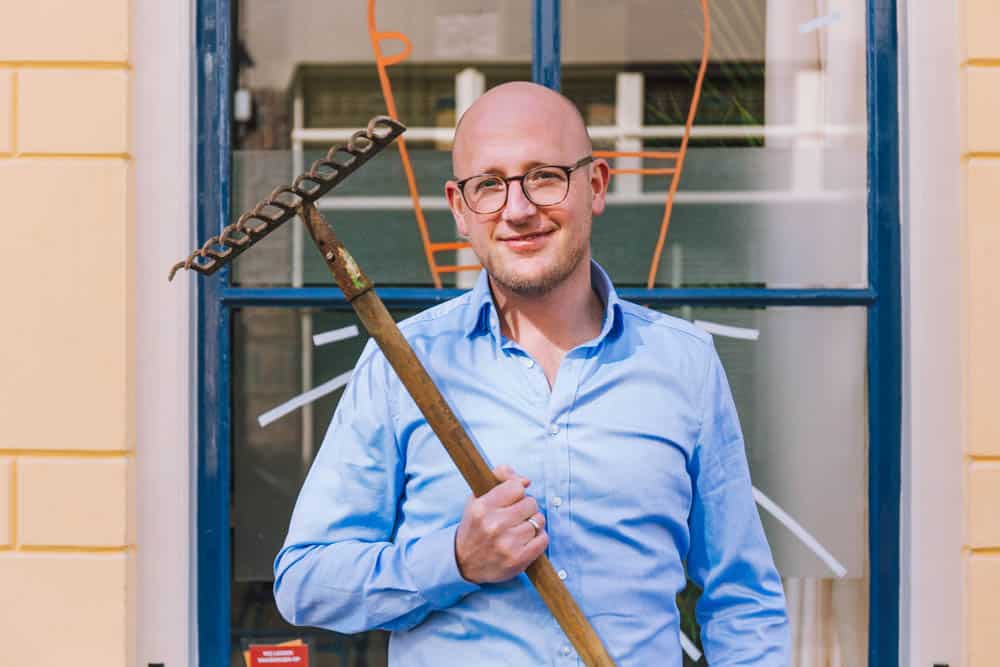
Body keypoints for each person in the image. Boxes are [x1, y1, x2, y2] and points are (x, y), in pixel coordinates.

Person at [274, 81, 789, 665]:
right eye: (489, 185)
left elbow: (743, 601)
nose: (517, 210)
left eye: (545, 176)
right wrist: (455, 560)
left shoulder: (682, 362)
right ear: (459, 209)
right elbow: (305, 580)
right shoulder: (401, 365)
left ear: (596, 185)